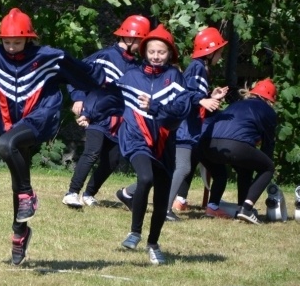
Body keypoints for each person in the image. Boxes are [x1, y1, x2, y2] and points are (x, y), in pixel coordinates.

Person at [0, 8, 103, 266]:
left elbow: (84, 73)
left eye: (17, 42)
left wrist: (106, 86)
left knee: (6, 145)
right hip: (10, 119)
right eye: (6, 42)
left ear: (29, 38)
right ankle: (20, 233)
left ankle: (29, 195)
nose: (11, 47)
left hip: (42, 115)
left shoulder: (48, 56)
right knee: (16, 181)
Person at [93, 25, 191, 265]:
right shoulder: (131, 75)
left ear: (170, 54)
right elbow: (110, 98)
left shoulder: (176, 78)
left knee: (161, 198)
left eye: (162, 52)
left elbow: (182, 108)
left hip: (164, 143)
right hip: (136, 139)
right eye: (151, 51)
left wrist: (155, 107)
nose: (156, 56)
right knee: (144, 178)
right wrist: (90, 112)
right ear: (144, 51)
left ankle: (153, 244)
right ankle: (135, 231)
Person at [62, 15, 149, 209]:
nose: (143, 46)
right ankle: (72, 193)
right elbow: (75, 72)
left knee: (113, 160)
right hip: (98, 114)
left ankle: (89, 194)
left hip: (120, 120)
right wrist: (78, 97)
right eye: (141, 40)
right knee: (92, 152)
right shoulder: (106, 56)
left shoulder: (136, 65)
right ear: (129, 38)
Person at [163, 27, 228, 220]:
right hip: (184, 128)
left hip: (188, 129)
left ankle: (130, 194)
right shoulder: (197, 68)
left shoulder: (200, 69)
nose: (221, 56)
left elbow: (195, 95)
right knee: (182, 168)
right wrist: (202, 100)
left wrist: (210, 96)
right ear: (211, 51)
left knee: (167, 167)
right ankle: (164, 210)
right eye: (220, 52)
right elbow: (187, 94)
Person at [199, 78, 278, 224]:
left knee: (244, 167)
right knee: (268, 167)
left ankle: (223, 207)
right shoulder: (268, 112)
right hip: (234, 145)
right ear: (270, 100)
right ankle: (247, 208)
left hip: (206, 145)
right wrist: (263, 169)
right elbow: (268, 146)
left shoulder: (237, 104)